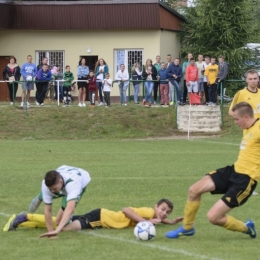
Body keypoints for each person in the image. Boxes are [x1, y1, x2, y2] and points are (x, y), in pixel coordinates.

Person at [166, 102, 259, 240]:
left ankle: (247, 227)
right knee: (194, 190)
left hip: (245, 181)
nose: (235, 122)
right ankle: (187, 228)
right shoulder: (249, 123)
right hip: (233, 171)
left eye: (236, 119)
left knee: (213, 217)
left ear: (246, 117)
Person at [4, 198, 183, 233]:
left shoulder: (155, 216)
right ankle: (25, 217)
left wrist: (169, 221)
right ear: (156, 206)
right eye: (163, 209)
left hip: (100, 217)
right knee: (64, 227)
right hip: (99, 218)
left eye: (167, 212)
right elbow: (126, 210)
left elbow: (157, 219)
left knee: (63, 225)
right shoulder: (149, 213)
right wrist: (145, 223)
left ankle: (24, 223)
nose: (163, 213)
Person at [23, 165, 91, 237]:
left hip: (78, 183)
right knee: (51, 193)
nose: (52, 191)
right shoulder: (45, 184)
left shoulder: (73, 183)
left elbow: (70, 209)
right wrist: (51, 233)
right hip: (64, 176)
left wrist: (57, 230)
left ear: (60, 182)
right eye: (50, 189)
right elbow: (48, 210)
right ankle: (41, 195)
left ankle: (44, 195)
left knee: (59, 222)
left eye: (54, 188)